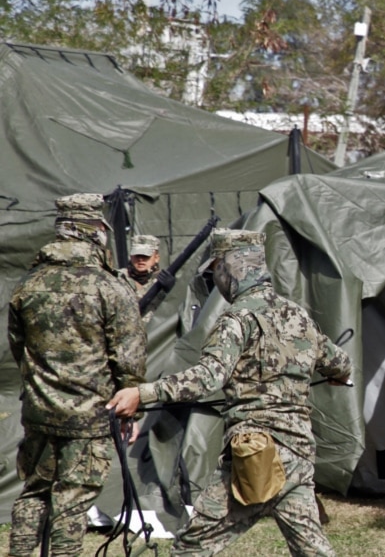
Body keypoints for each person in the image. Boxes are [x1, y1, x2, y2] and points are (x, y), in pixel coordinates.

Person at [108, 229, 354, 556]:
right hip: (298, 454)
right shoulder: (298, 314)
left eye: (216, 271)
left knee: (193, 545)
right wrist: (337, 376)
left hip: (257, 453)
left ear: (230, 269)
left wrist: (143, 394)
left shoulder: (237, 318)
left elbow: (208, 377)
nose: (215, 280)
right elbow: (341, 363)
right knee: (312, 550)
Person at [7, 193, 146, 556]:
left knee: (35, 491)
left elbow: (18, 347)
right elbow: (129, 359)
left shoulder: (29, 283)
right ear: (96, 232)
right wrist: (134, 406)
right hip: (90, 415)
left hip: (39, 411)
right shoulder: (110, 287)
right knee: (71, 500)